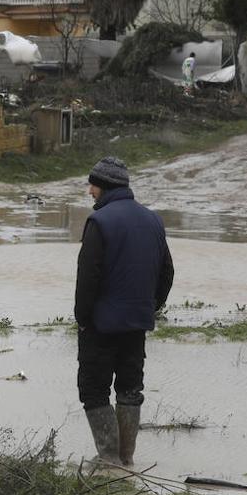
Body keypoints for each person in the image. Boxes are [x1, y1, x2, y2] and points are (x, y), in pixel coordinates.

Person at [74, 157, 174, 468]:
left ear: (104, 187)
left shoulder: (99, 223)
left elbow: (87, 277)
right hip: (136, 325)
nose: (90, 191)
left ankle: (108, 458)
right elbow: (167, 273)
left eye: (93, 185)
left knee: (93, 388)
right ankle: (127, 458)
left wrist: (83, 319)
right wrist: (151, 307)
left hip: (101, 326)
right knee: (130, 387)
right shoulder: (153, 220)